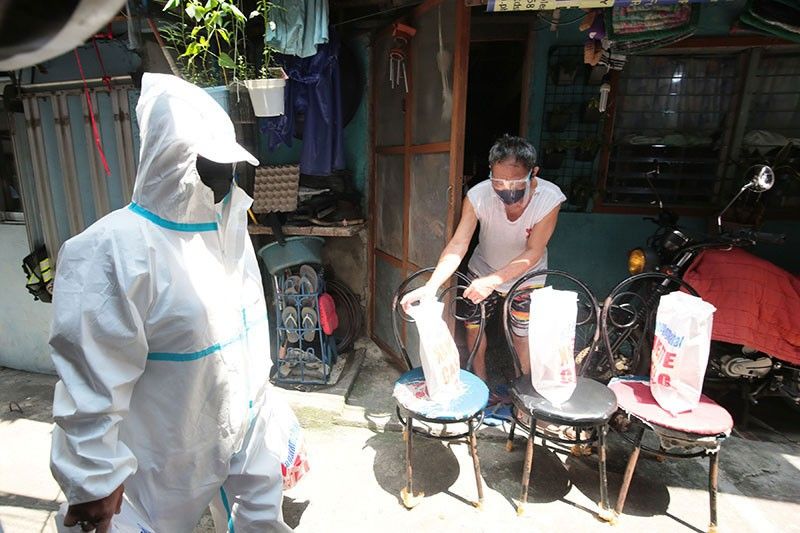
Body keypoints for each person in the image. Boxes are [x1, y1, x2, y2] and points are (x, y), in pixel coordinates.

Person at [49, 73, 292, 532]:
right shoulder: (113, 249)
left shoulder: (228, 230)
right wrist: (95, 479)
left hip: (235, 432)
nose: (224, 180)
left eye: (228, 167)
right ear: (169, 160)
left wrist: (270, 415)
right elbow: (90, 383)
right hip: (150, 468)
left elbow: (245, 340)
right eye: (209, 165)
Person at [401, 135, 566, 382]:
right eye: (498, 182)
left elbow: (534, 251)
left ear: (534, 173)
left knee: (521, 335)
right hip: (483, 269)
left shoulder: (549, 198)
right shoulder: (478, 196)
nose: (506, 189)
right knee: (474, 329)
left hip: (527, 277)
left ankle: (524, 390)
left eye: (515, 183)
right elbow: (459, 243)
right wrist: (431, 286)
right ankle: (482, 382)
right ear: (490, 171)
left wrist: (493, 280)